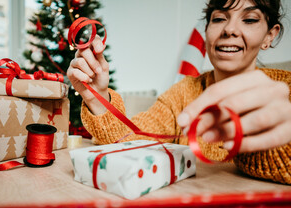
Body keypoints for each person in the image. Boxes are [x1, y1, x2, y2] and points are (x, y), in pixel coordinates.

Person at [67, 0, 291, 184]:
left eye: (249, 19)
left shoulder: (287, 92)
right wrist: (98, 97)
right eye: (219, 18)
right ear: (206, 31)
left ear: (270, 36)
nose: (230, 29)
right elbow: (129, 141)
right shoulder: (182, 94)